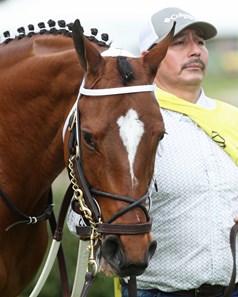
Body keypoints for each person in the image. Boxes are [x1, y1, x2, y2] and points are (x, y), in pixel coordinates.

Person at [121, 7, 238, 297]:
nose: (195, 50)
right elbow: (83, 214)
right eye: (179, 43)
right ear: (150, 57)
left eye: (200, 42)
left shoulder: (233, 118)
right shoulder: (130, 124)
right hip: (157, 292)